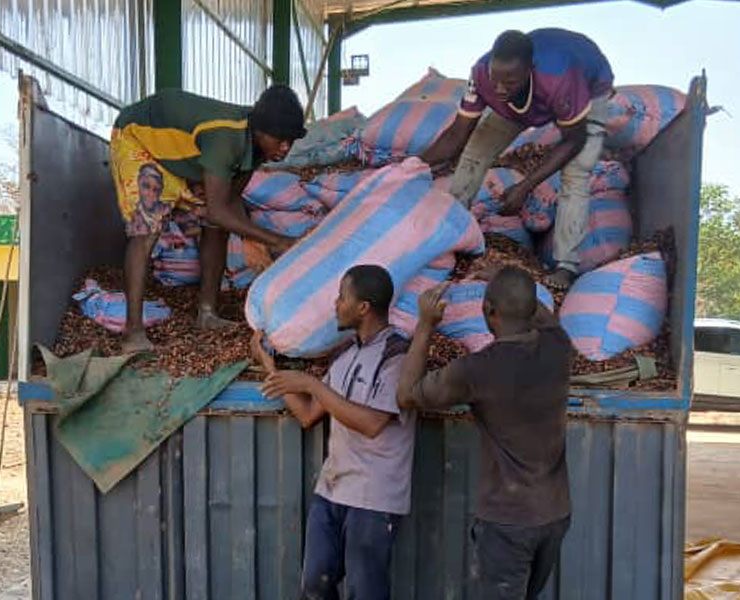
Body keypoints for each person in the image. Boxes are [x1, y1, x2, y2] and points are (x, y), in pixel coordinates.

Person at [397, 267, 572, 600]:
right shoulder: (558, 345)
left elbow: (406, 395)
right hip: (555, 513)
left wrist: (426, 323)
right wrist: (507, 282)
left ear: (488, 310)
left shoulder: (477, 369)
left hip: (508, 521)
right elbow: (538, 313)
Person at [252, 264, 414, 600]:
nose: (335, 305)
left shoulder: (398, 355)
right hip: (332, 490)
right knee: (314, 585)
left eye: (342, 297)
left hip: (373, 497)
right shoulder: (345, 354)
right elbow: (309, 414)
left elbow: (372, 424)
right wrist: (270, 368)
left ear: (363, 307)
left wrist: (311, 384)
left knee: (365, 592)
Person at [110, 85, 307, 352]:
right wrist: (278, 241)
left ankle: (207, 313)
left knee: (217, 226)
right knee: (147, 227)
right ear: (260, 130)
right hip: (139, 138)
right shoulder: (227, 138)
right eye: (280, 139)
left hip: (177, 155)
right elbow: (218, 209)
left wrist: (256, 240)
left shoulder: (257, 148)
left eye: (290, 141)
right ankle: (133, 332)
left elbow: (229, 202)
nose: (285, 148)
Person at [421, 29, 614, 290]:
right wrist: (412, 165)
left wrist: (524, 187)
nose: (499, 89)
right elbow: (458, 133)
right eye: (495, 80)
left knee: (576, 173)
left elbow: (574, 140)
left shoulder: (559, 77)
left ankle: (566, 266)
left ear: (529, 69)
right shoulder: (480, 74)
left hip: (588, 90)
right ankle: (450, 232)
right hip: (527, 101)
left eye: (509, 82)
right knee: (476, 151)